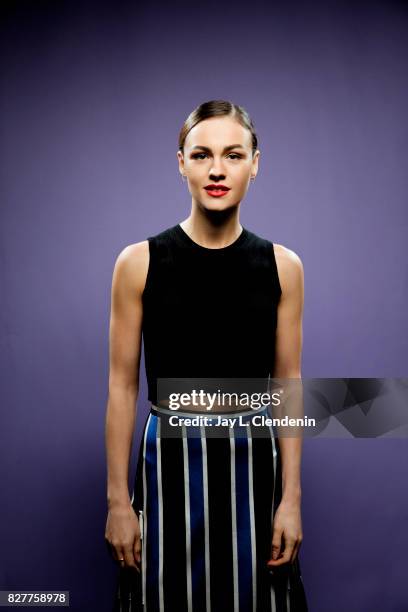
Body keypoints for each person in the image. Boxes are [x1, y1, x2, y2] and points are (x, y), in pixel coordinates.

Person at [104, 99, 309, 611]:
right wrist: (117, 502)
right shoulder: (138, 262)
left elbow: (287, 386)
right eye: (202, 155)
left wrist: (291, 500)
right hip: (168, 465)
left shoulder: (282, 266)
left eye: (233, 155)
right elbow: (122, 387)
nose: (217, 169)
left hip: (254, 465)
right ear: (181, 163)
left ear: (254, 163)